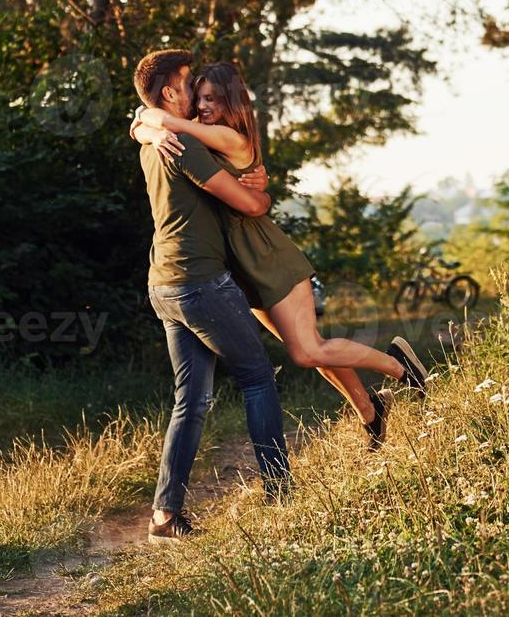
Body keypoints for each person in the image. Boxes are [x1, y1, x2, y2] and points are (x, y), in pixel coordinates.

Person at [130, 61, 429, 450]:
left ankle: (398, 365)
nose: (202, 106)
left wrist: (148, 125)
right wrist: (145, 129)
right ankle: (371, 412)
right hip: (241, 266)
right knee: (309, 348)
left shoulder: (231, 137)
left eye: (211, 98)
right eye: (198, 96)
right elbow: (165, 127)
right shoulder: (201, 137)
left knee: (308, 351)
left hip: (267, 256)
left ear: (230, 101)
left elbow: (178, 128)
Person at [131, 49, 291, 543]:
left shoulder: (151, 143)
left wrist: (148, 127)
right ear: (168, 95)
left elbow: (140, 124)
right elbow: (247, 204)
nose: (195, 93)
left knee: (191, 400)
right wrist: (262, 191)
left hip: (164, 283)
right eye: (186, 84)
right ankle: (281, 495)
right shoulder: (182, 145)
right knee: (258, 376)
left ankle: (165, 515)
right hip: (200, 282)